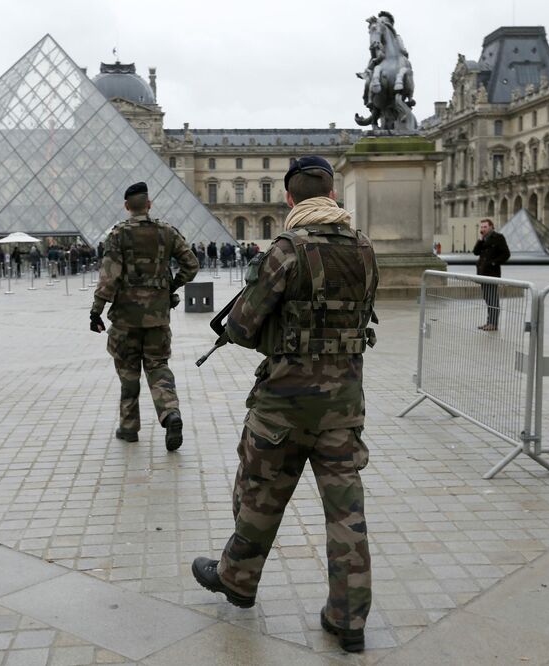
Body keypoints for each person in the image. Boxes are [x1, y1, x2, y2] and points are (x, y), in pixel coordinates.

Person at [191, 156, 379, 653]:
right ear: (333, 196)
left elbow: (243, 325)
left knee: (260, 492)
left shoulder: (287, 249)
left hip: (285, 403)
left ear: (290, 199)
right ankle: (349, 618)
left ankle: (237, 578)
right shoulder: (364, 248)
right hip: (344, 402)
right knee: (347, 512)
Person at [89, 181, 199, 450]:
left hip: (125, 319)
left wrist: (96, 310)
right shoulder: (167, 232)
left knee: (128, 372)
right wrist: (170, 286)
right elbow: (191, 265)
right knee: (157, 366)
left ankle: (129, 428)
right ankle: (170, 413)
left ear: (127, 206)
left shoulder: (117, 235)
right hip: (158, 318)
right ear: (149, 204)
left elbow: (109, 277)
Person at [472, 218, 510, 331]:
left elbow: (506, 254)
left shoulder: (498, 238)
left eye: (485, 227)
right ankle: (489, 322)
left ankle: (493, 324)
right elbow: (475, 252)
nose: (482, 229)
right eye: (482, 227)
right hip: (482, 273)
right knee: (487, 298)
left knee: (493, 299)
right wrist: (480, 240)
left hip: (492, 274)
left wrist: (494, 263)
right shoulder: (483, 239)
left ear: (491, 227)